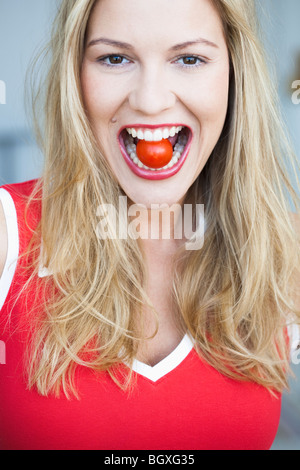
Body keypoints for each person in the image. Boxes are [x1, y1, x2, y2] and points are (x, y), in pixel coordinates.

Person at [0, 0, 300, 451]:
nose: (151, 99)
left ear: (235, 76)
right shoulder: (7, 233)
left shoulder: (284, 248)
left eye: (190, 58)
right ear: (76, 77)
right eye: (114, 58)